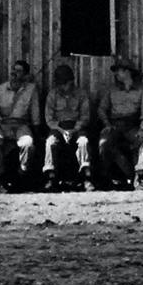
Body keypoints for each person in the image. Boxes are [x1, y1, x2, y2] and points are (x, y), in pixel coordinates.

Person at [98, 56, 143, 190]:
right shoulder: (111, 90)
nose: (116, 74)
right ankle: (112, 177)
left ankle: (139, 176)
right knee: (104, 144)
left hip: (132, 126)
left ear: (128, 72)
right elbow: (101, 109)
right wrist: (106, 124)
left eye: (119, 70)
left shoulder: (142, 89)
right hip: (115, 126)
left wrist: (142, 129)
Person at [0, 59, 39, 191]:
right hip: (1, 125)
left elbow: (35, 113)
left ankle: (22, 175)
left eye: (19, 71)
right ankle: (0, 177)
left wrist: (37, 131)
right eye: (14, 70)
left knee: (27, 143)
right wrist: (2, 125)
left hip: (21, 126)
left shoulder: (31, 90)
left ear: (26, 75)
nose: (15, 74)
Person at [43, 64, 93, 192]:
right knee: (50, 143)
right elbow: (49, 119)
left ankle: (86, 177)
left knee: (83, 142)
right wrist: (61, 130)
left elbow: (85, 116)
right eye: (61, 83)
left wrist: (75, 129)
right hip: (58, 128)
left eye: (66, 83)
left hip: (76, 127)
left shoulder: (81, 94)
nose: (63, 86)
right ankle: (51, 177)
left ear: (71, 82)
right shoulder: (52, 95)